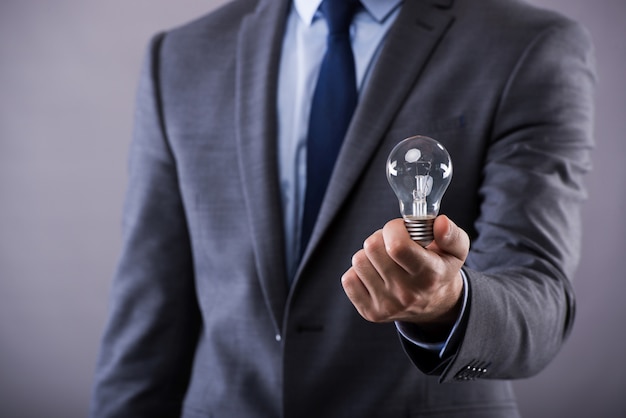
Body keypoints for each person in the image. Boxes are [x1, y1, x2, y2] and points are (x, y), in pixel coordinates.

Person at [90, 0, 595, 416]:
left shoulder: (525, 47)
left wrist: (448, 304)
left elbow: (539, 296)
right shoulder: (182, 56)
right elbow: (146, 323)